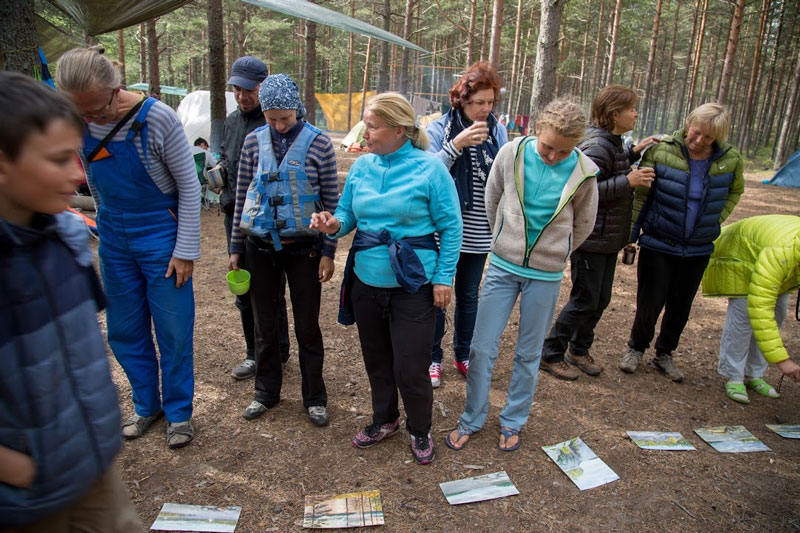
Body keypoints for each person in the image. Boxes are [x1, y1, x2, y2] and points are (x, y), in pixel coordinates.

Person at [0, 71, 143, 531]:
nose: (78, 175)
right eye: (59, 160)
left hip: (92, 466)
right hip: (24, 498)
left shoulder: (64, 235)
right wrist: (14, 466)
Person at [57, 47, 200, 448]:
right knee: (123, 327)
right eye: (79, 113)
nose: (89, 120)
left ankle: (178, 413)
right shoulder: (78, 118)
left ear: (116, 90)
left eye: (96, 111)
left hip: (161, 234)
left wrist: (185, 249)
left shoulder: (157, 118)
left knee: (172, 329)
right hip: (114, 238)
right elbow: (91, 180)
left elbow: (189, 187)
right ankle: (146, 405)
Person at [311, 92, 462, 465]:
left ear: (399, 130)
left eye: (372, 125)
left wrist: (443, 278)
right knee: (377, 359)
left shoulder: (430, 169)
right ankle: (385, 419)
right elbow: (347, 215)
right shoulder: (363, 167)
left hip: (413, 285)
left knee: (410, 365)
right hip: (366, 281)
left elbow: (451, 226)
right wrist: (332, 225)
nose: (365, 131)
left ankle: (420, 429)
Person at [446, 98, 598, 452]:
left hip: (546, 275)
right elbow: (491, 198)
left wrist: (557, 251)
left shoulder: (584, 172)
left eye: (563, 151)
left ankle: (513, 420)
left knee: (528, 354)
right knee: (481, 348)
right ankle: (472, 417)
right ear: (536, 130)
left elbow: (584, 223)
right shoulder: (511, 153)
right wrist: (504, 238)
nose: (552, 157)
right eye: (547, 147)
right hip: (502, 266)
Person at [229, 74, 338, 427]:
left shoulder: (319, 143)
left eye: (285, 118)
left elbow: (333, 204)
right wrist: (235, 247)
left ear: (297, 111)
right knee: (264, 323)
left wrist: (328, 251)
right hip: (259, 246)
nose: (277, 125)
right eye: (271, 118)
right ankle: (265, 392)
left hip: (304, 248)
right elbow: (243, 195)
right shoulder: (251, 142)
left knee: (307, 325)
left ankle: (315, 397)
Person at [540, 86, 659, 380]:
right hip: (592, 240)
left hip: (607, 238)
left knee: (600, 299)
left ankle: (579, 349)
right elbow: (585, 191)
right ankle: (550, 352)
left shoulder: (614, 143)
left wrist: (632, 153)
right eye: (631, 108)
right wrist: (628, 182)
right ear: (614, 114)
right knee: (585, 299)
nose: (636, 113)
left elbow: (608, 170)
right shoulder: (598, 146)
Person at [619, 103, 744, 382]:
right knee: (650, 301)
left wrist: (716, 218)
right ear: (688, 123)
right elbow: (641, 196)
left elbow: (735, 191)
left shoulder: (730, 159)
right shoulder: (661, 151)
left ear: (718, 138)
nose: (699, 141)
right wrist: (631, 235)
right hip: (658, 241)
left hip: (698, 247)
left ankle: (665, 353)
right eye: (696, 132)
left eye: (708, 137)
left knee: (681, 305)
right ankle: (636, 348)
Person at [424, 61, 508, 387]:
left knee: (469, 294)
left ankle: (463, 354)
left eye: (490, 102)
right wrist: (456, 145)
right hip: (444, 229)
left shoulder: (497, 129)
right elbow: (428, 177)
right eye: (478, 103)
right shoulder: (438, 129)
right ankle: (432, 357)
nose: (485, 109)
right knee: (438, 294)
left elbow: (502, 175)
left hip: (479, 228)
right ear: (462, 99)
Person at [213, 56, 291, 380]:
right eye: (236, 88)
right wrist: (217, 171)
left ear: (262, 85)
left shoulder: (275, 121)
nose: (242, 95)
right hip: (235, 215)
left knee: (271, 292)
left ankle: (279, 352)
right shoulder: (232, 121)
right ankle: (253, 352)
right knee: (244, 291)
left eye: (248, 89)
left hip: (269, 222)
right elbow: (230, 162)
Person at [701, 214, 800, 403]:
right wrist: (782, 361)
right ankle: (734, 376)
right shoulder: (781, 252)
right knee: (744, 318)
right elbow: (760, 310)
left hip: (776, 263)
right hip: (741, 256)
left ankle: (754, 374)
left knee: (778, 313)